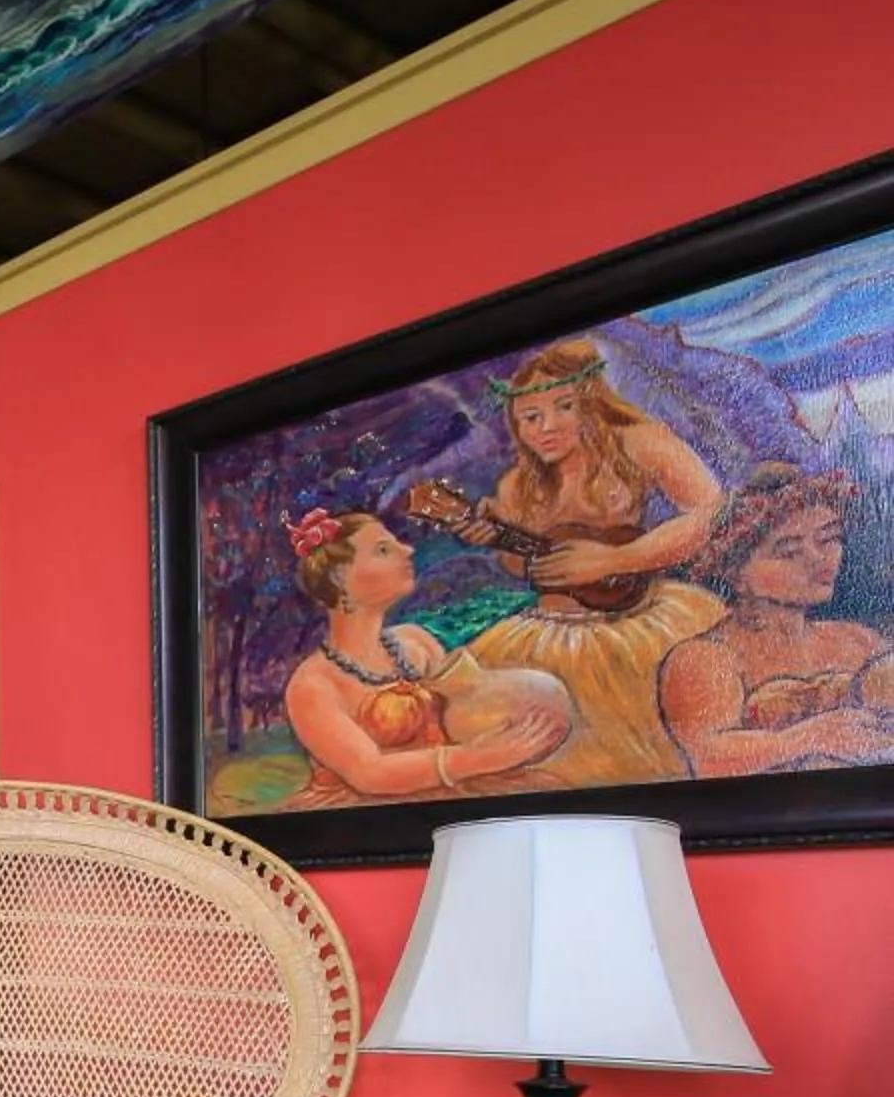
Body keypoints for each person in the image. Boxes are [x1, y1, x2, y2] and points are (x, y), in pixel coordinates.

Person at [461, 338, 726, 786]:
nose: (547, 426)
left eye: (563, 407)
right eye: (531, 417)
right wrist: (498, 539)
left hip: (643, 622)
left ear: (590, 402)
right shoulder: (515, 485)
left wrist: (616, 559)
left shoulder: (639, 444)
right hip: (548, 634)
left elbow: (712, 511)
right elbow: (520, 566)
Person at [280, 508, 572, 804]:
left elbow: (467, 712)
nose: (408, 550)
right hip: (367, 814)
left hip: (452, 793)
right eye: (383, 549)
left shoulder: (416, 642)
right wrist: (480, 758)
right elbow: (370, 774)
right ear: (340, 582)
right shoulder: (313, 685)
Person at [658, 463, 894, 776]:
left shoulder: (858, 640)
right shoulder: (704, 659)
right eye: (788, 551)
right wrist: (810, 737)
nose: (818, 559)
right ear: (735, 572)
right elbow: (709, 760)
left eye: (828, 539)